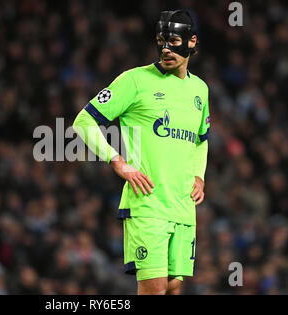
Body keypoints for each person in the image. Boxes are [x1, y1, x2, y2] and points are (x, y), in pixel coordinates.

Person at [73, 10, 210, 295]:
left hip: (183, 206)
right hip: (148, 204)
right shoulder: (134, 81)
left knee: (173, 287)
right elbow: (83, 122)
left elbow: (201, 139)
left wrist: (199, 175)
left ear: (192, 42)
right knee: (154, 289)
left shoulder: (200, 90)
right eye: (161, 41)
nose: (166, 49)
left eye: (173, 41)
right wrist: (117, 160)